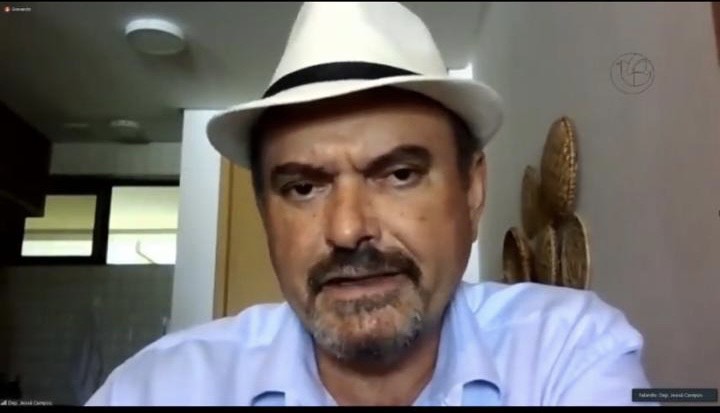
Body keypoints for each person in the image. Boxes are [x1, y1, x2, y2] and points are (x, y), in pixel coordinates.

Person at [86, 2, 654, 406]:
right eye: (303, 188)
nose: (347, 229)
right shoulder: (158, 389)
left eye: (399, 174)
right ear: (266, 215)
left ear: (472, 191)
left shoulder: (566, 351)